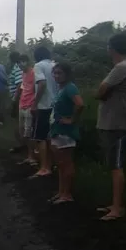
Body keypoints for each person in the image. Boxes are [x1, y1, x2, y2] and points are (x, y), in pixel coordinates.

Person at [95, 33, 126, 221]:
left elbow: (102, 89)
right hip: (115, 123)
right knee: (114, 164)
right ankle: (115, 204)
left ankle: (117, 208)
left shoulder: (122, 67)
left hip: (118, 124)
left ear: (111, 48)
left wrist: (100, 94)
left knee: (117, 166)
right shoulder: (125, 67)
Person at [48, 62, 84, 205]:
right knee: (61, 164)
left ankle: (67, 194)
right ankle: (61, 192)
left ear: (67, 74)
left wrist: (71, 120)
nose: (56, 76)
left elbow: (80, 104)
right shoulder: (61, 89)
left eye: (60, 73)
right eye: (55, 73)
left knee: (66, 163)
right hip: (57, 130)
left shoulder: (70, 88)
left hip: (66, 132)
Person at [30, 46, 58, 178]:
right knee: (51, 137)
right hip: (56, 105)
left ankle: (44, 167)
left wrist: (35, 103)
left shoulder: (38, 66)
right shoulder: (55, 65)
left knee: (40, 138)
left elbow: (41, 84)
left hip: (44, 106)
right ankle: (52, 165)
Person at [16, 54, 38, 166]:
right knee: (22, 132)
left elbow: (37, 89)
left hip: (30, 104)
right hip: (22, 104)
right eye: (18, 63)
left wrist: (34, 104)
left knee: (28, 132)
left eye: (21, 62)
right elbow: (23, 87)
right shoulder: (23, 73)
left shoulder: (34, 73)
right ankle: (30, 154)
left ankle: (32, 156)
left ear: (26, 62)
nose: (20, 65)